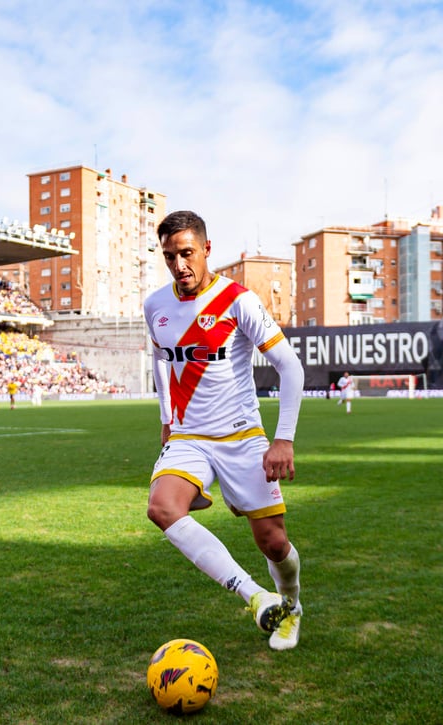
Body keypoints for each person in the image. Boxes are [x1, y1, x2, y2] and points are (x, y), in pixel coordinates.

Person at [143, 210, 306, 651]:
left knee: (273, 543)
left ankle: (291, 609)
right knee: (161, 508)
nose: (180, 265)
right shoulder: (155, 306)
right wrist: (166, 419)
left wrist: (283, 439)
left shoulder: (239, 301)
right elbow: (160, 364)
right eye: (170, 256)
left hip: (241, 439)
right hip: (188, 438)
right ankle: (255, 596)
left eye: (187, 253)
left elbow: (290, 367)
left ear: (206, 249)